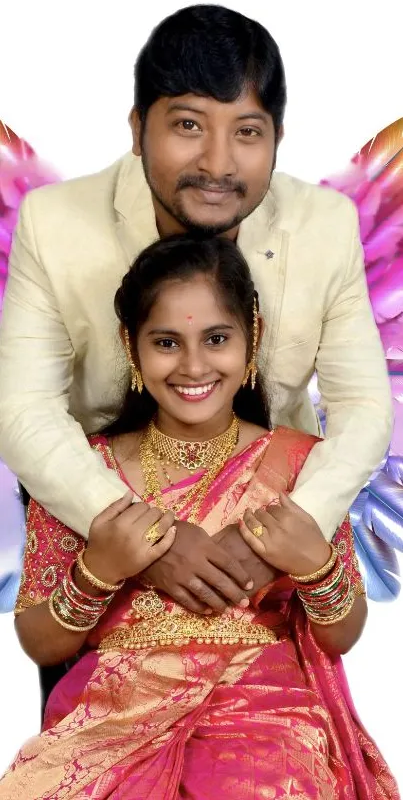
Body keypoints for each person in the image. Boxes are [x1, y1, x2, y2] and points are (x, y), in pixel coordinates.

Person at [0, 4, 393, 615]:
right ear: (137, 129)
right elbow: (23, 407)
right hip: (101, 534)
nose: (217, 164)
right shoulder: (55, 225)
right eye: (188, 125)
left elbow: (363, 407)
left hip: (266, 540)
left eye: (247, 131)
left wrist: (280, 534)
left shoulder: (323, 225)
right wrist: (142, 535)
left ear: (277, 139)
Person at [0, 235, 398, 799]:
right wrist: (99, 569)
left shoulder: (299, 464)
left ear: (251, 338)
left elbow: (341, 636)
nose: (193, 366)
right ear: (130, 346)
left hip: (271, 722)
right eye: (166, 342)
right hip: (111, 721)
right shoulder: (84, 471)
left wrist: (316, 566)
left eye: (216, 339)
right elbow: (41, 642)